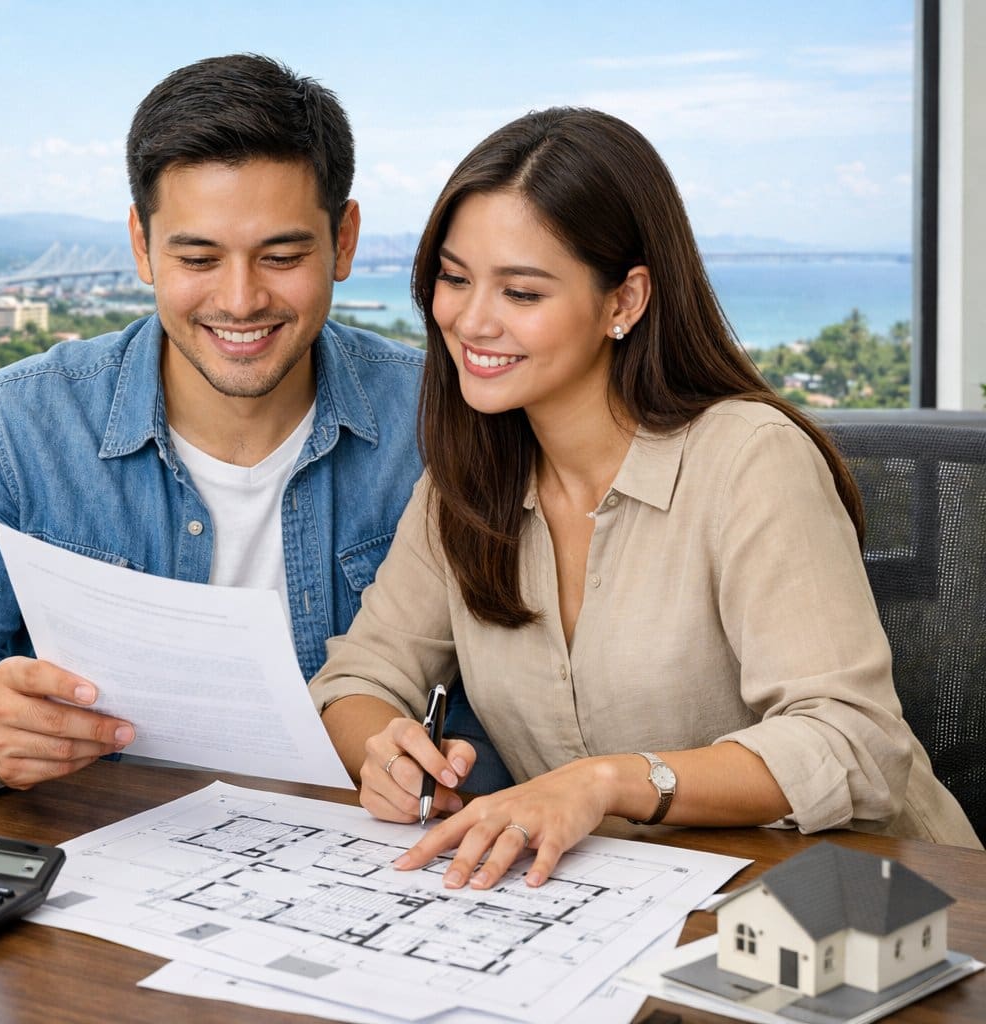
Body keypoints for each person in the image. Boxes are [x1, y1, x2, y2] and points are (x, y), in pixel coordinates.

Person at [310, 107, 982, 893]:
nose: (469, 319)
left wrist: (606, 783)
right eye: (454, 278)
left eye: (521, 291)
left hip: (869, 902)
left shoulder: (748, 460)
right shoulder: (467, 478)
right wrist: (385, 754)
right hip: (631, 907)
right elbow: (361, 677)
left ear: (624, 301)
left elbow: (851, 741)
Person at [0, 53, 508, 791]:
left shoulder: (446, 424)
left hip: (386, 867)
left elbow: (518, 705)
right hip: (107, 861)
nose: (240, 300)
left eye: (282, 255)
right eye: (197, 256)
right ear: (141, 245)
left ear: (344, 241)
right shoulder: (17, 426)